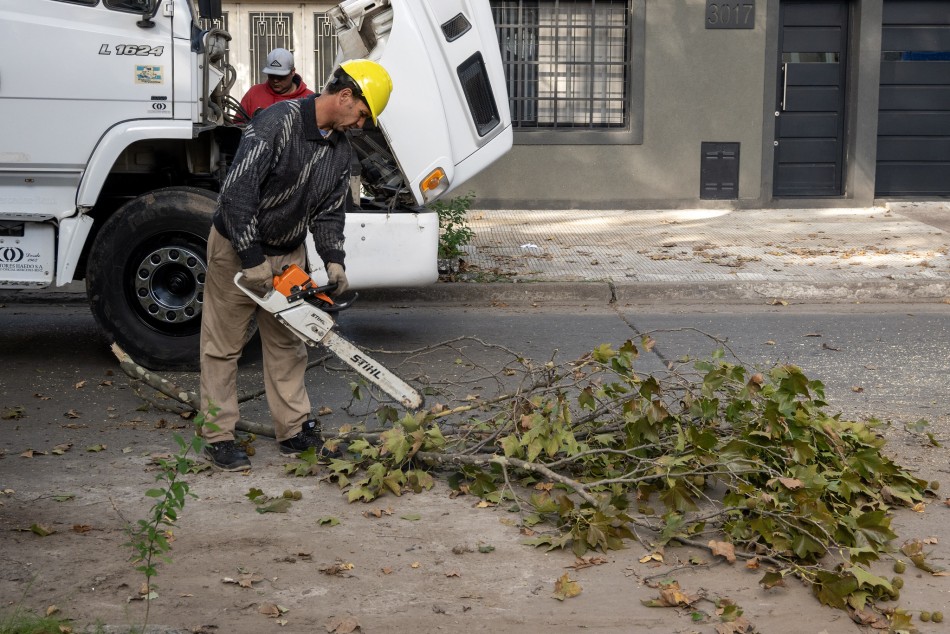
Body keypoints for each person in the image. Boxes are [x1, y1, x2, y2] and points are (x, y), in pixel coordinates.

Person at [199, 59, 393, 471]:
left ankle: (293, 430)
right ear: (345, 96)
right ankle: (218, 437)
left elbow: (327, 212)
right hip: (237, 245)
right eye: (360, 114)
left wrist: (334, 261)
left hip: (288, 252)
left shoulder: (340, 151)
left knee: (288, 345)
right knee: (223, 346)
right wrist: (251, 258)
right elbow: (237, 193)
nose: (360, 125)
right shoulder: (277, 122)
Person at [237, 47, 314, 122]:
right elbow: (237, 125)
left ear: (292, 72)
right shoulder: (254, 93)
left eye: (280, 76)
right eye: (271, 75)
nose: (275, 80)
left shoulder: (309, 100)